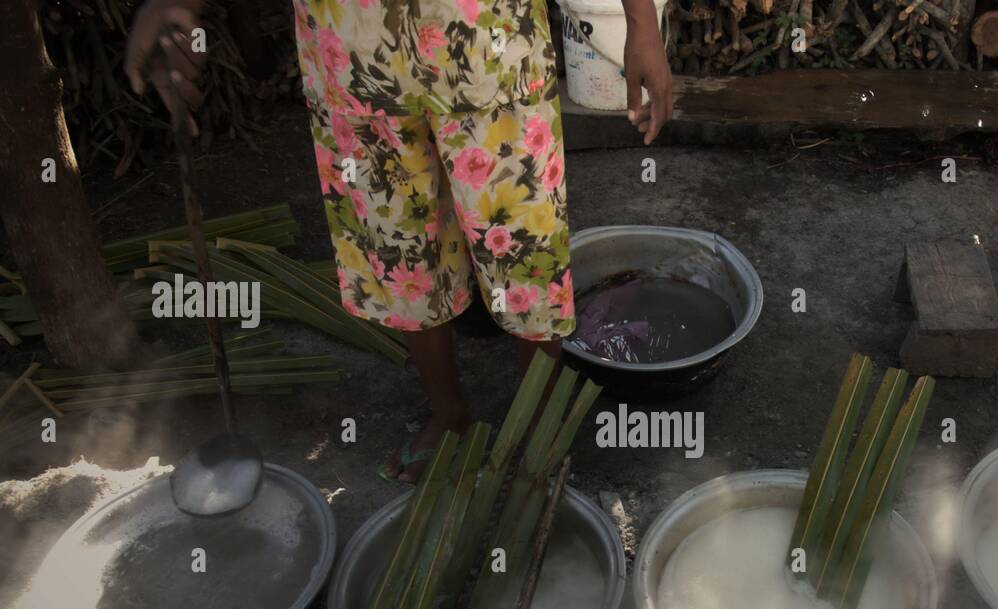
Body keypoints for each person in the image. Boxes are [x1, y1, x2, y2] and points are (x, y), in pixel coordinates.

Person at [126, 0, 672, 481]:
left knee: (523, 254)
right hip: (351, 52)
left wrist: (641, 25)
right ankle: (449, 414)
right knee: (402, 251)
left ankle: (540, 419)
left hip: (484, 41)